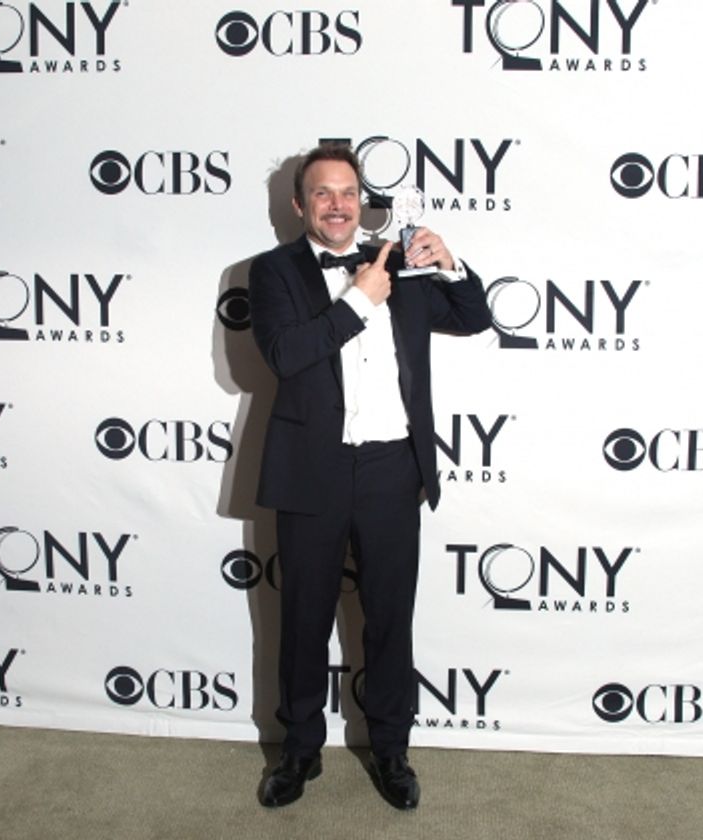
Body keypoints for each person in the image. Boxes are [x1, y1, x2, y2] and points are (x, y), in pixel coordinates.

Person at [247, 144, 491, 810]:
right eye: (322, 193)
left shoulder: (400, 266)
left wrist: (449, 263)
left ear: (363, 201)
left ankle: (391, 750)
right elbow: (284, 355)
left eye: (348, 192)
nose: (337, 205)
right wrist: (358, 300)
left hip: (391, 468)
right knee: (303, 620)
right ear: (299, 205)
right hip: (312, 470)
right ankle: (299, 752)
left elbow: (474, 317)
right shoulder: (272, 271)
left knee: (389, 618)